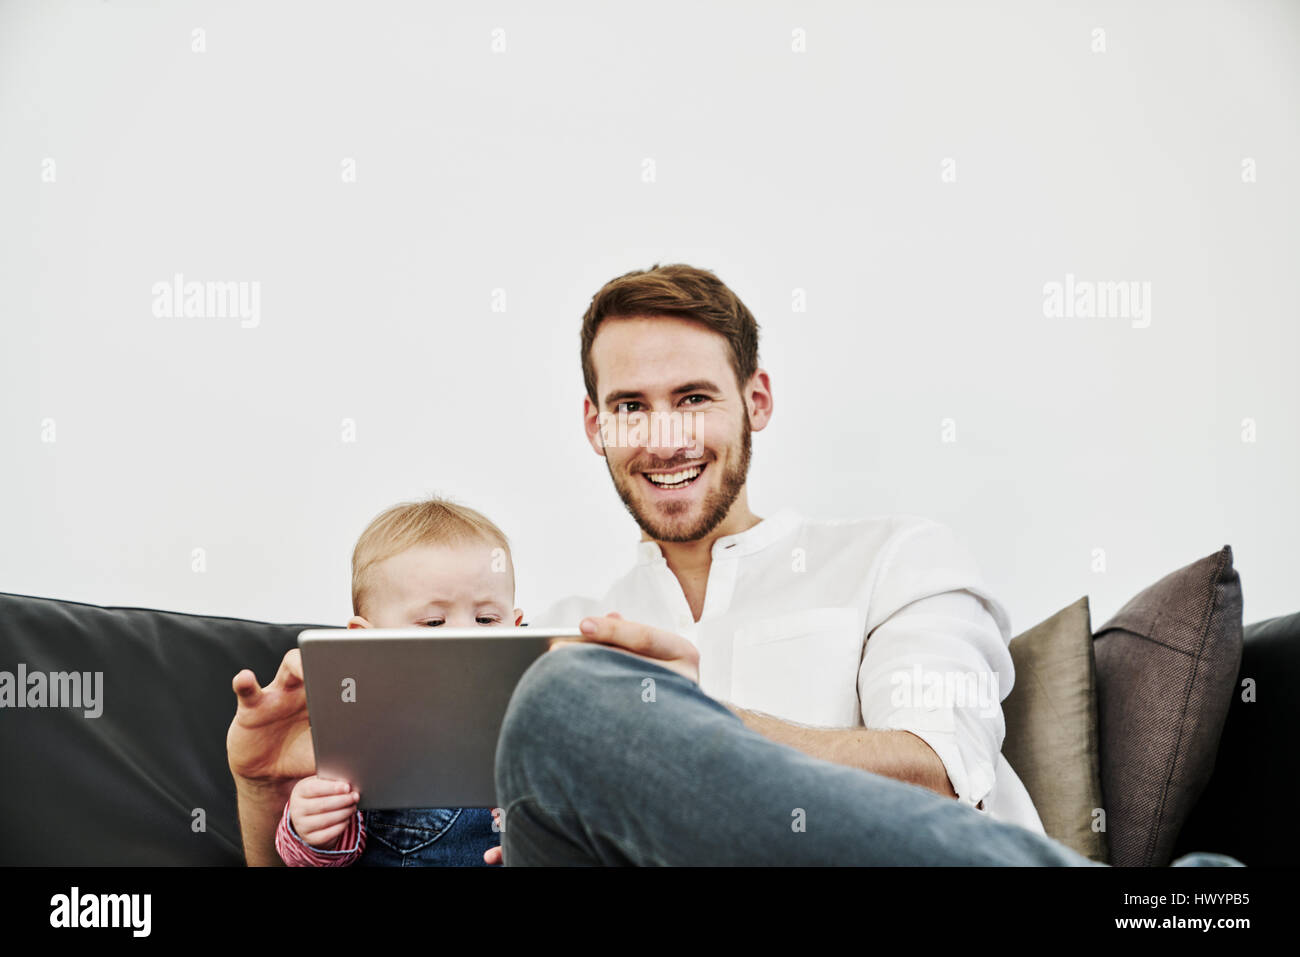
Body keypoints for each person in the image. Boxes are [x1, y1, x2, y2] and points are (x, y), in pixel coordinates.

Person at [230, 264, 1237, 866]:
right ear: (594, 425)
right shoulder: (562, 629)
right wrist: (266, 792)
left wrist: (673, 725)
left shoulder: (895, 557)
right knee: (556, 699)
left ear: (755, 401)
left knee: (567, 700)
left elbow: (939, 774)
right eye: (630, 407)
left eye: (694, 397)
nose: (664, 435)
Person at [254, 497, 522, 866]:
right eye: (433, 623)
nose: (465, 636)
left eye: (487, 619)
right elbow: (311, 858)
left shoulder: (533, 724)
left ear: (517, 625)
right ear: (365, 639)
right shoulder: (360, 733)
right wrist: (311, 826)